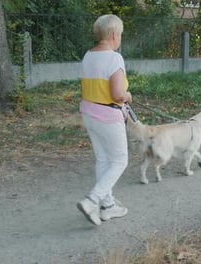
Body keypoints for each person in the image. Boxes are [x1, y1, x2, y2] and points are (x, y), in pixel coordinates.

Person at [76, 14, 132, 226]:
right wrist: (128, 96)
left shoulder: (88, 56)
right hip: (108, 116)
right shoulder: (114, 58)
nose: (120, 39)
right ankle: (92, 200)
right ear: (113, 35)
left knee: (103, 159)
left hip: (89, 114)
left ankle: (108, 206)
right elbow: (118, 94)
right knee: (120, 160)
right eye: (120, 35)